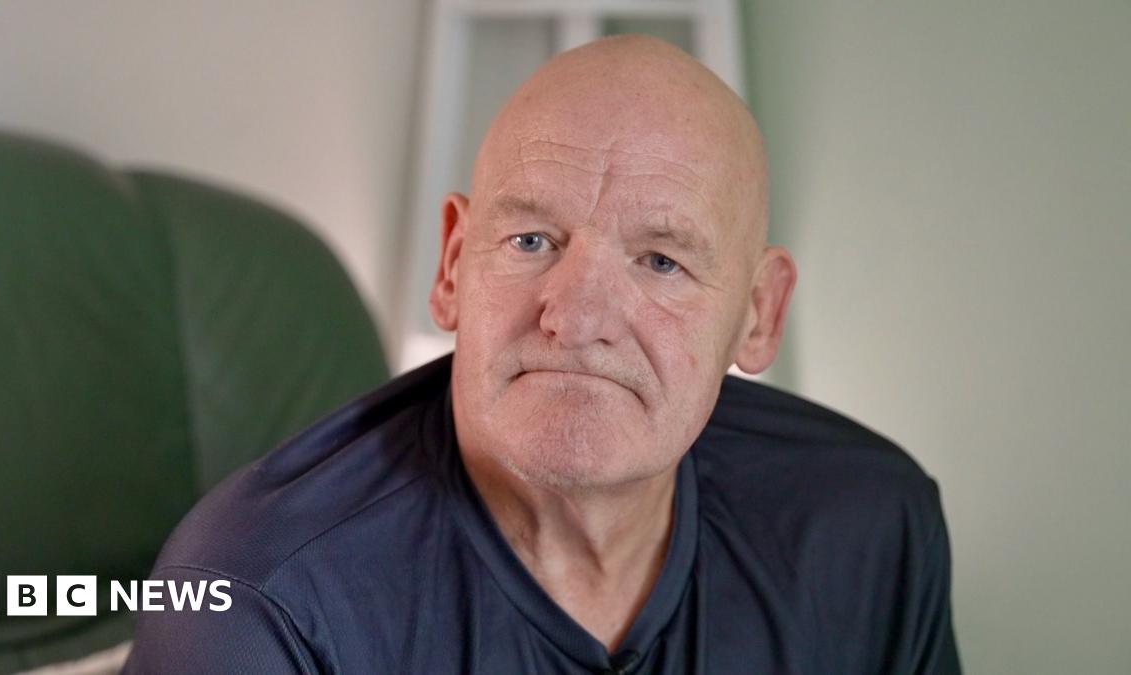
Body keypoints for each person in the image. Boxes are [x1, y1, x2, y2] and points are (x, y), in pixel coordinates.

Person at [124, 35, 960, 674]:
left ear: (759, 313)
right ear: (452, 266)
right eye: (531, 239)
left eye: (661, 260)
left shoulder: (869, 529)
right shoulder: (255, 598)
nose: (577, 316)